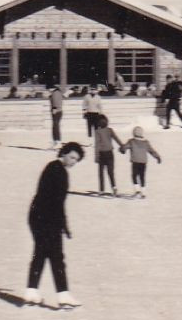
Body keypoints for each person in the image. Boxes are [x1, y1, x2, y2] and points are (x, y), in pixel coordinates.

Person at [23, 142, 85, 308]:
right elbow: (57, 201)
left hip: (39, 216)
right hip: (46, 218)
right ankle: (62, 295)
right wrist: (62, 225)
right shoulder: (58, 171)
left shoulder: (53, 167)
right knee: (55, 256)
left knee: (43, 253)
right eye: (72, 157)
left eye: (76, 160)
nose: (73, 162)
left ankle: (32, 291)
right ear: (63, 153)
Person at [122, 126, 162, 198]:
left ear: (133, 133)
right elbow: (151, 151)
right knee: (142, 176)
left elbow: (124, 147)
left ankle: (137, 190)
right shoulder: (145, 142)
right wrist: (157, 157)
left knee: (134, 176)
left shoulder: (131, 141)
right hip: (143, 162)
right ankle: (143, 193)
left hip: (135, 161)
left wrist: (122, 149)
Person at [92, 113, 125, 195]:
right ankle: (114, 187)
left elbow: (97, 145)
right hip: (110, 154)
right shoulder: (110, 130)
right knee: (110, 172)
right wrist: (122, 146)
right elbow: (117, 139)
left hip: (102, 154)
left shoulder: (97, 132)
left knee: (101, 173)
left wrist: (96, 156)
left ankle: (101, 189)